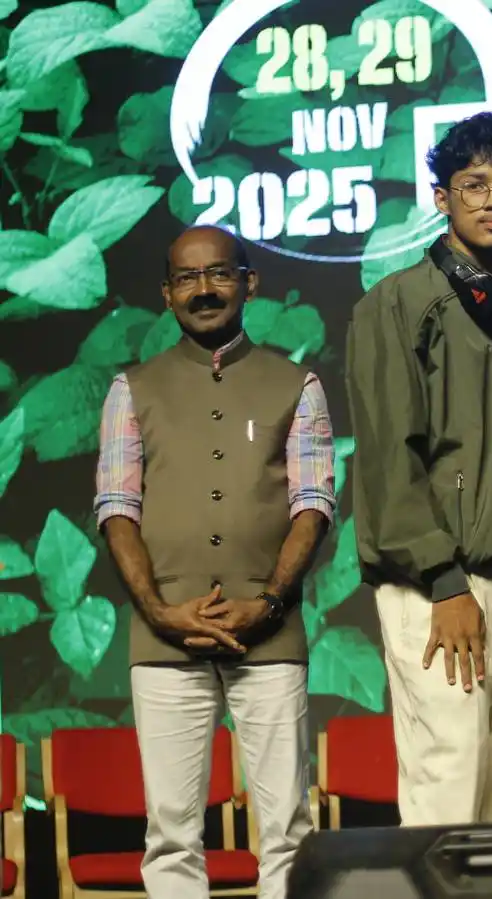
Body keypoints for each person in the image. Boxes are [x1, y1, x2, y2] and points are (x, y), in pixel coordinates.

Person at [95, 225, 332, 899]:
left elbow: (313, 503)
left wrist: (271, 603)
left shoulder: (297, 383)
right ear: (167, 293)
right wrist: (159, 612)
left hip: (270, 632)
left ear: (249, 283)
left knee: (287, 828)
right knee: (171, 833)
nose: (204, 290)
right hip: (165, 634)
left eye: (219, 274)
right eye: (187, 278)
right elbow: (117, 507)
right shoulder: (131, 388)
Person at [345, 111, 492, 826]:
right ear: (441, 197)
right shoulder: (399, 301)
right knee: (447, 788)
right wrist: (444, 580)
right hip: (438, 582)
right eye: (474, 185)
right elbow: (388, 455)